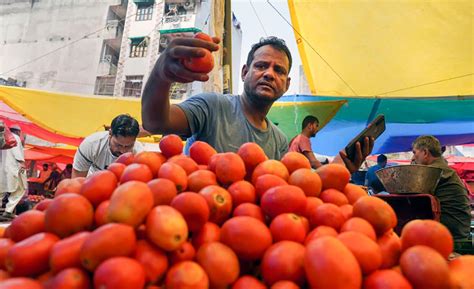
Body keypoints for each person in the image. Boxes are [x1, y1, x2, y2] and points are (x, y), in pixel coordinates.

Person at [141, 35, 373, 168]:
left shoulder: (279, 141)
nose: (269, 74)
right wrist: (161, 76)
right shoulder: (212, 106)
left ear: (287, 84)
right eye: (261, 66)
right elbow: (155, 122)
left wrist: (339, 171)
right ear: (244, 72)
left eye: (279, 70)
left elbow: (291, 190)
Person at [411, 135, 471, 240]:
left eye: (414, 152)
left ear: (425, 153)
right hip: (460, 229)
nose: (413, 158)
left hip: (451, 234)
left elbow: (410, 193)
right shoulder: (444, 169)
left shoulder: (434, 171)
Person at [72, 114, 144, 178]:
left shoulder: (139, 155)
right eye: (118, 145)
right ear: (110, 134)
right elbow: (77, 180)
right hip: (92, 183)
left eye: (128, 146)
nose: (123, 151)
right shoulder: (91, 145)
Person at [0, 125, 27, 221]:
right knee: (21, 188)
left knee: (1, 190)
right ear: (18, 132)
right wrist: (23, 164)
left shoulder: (3, 138)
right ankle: (8, 211)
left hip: (3, 168)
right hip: (15, 167)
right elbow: (17, 154)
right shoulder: (15, 138)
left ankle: (7, 212)